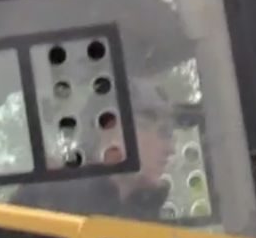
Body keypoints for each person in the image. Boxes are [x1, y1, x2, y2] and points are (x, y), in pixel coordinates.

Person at [11, 77, 177, 222]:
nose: (170, 149)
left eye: (169, 134)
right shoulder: (48, 196)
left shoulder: (152, 215)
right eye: (162, 132)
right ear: (108, 129)